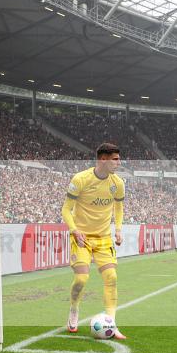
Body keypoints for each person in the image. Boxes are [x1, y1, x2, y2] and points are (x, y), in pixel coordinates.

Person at [61, 143, 126, 339]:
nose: (119, 163)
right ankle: (74, 309)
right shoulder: (80, 179)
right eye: (115, 159)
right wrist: (74, 231)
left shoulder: (118, 183)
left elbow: (119, 208)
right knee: (81, 279)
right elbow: (66, 209)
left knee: (112, 278)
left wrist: (119, 230)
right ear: (102, 160)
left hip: (104, 238)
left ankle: (111, 324)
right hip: (82, 238)